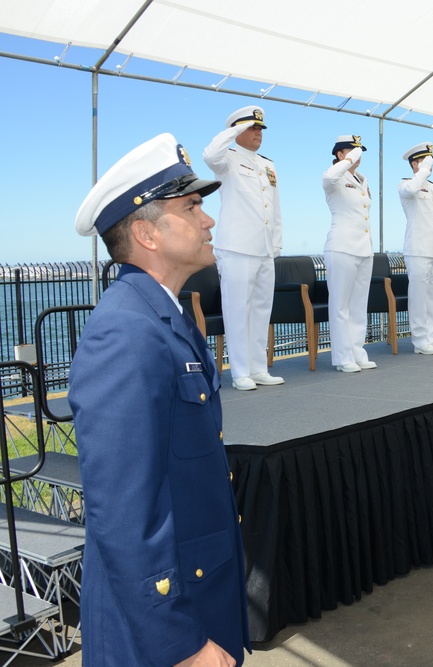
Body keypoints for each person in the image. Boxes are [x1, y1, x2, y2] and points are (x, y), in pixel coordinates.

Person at [69, 134, 251, 665]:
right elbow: (126, 513)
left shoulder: (160, 315)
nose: (208, 219)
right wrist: (181, 646)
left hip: (198, 598)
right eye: (192, 206)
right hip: (160, 632)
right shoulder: (126, 332)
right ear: (146, 233)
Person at [202, 105, 284, 391]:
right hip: (236, 246)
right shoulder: (227, 159)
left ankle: (258, 368)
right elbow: (209, 154)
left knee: (261, 310)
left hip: (263, 248)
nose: (258, 133)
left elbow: (274, 208)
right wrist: (235, 129)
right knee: (237, 311)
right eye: (252, 127)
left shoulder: (267, 164)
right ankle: (239, 372)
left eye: (260, 128)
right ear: (237, 130)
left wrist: (275, 243)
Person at [322, 135, 376, 373]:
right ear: (340, 154)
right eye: (352, 151)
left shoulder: (362, 180)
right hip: (342, 247)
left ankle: (357, 351)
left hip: (363, 247)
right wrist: (345, 162)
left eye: (360, 151)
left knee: (358, 305)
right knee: (340, 306)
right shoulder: (334, 177)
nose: (358, 155)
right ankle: (343, 357)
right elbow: (328, 176)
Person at [398, 142, 433, 355]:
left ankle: (431, 335)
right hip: (418, 249)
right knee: (419, 296)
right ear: (414, 163)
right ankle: (420, 340)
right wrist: (423, 171)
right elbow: (412, 188)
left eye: (431, 161)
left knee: (432, 295)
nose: (430, 165)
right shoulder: (406, 185)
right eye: (424, 160)